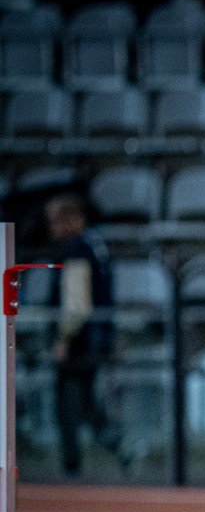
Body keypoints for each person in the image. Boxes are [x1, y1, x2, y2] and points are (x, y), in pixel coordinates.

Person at [44, 194, 115, 479]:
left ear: (71, 219)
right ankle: (121, 446)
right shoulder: (96, 244)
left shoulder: (78, 249)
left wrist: (64, 339)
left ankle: (71, 468)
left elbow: (75, 303)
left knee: (68, 405)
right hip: (97, 334)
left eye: (56, 221)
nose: (52, 228)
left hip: (81, 340)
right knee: (86, 402)